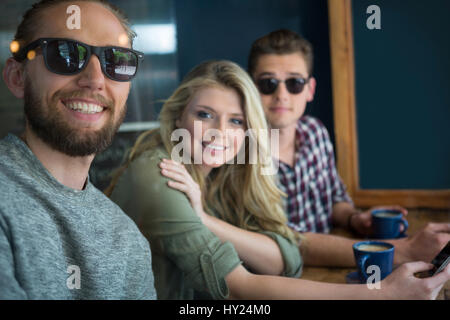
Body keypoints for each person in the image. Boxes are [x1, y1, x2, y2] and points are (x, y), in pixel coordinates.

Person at [107, 59, 450, 299]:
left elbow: (286, 254)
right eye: (205, 115)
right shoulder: (161, 176)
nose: (218, 133)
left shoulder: (222, 172)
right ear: (179, 115)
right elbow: (238, 287)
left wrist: (205, 220)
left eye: (236, 122)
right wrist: (381, 295)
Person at [247, 29, 450, 266]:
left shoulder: (314, 132)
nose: (281, 95)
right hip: (285, 281)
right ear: (251, 88)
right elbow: (287, 244)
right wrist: (404, 250)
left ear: (310, 89)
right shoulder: (240, 154)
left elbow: (334, 199)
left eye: (294, 83)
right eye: (268, 83)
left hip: (334, 262)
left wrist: (355, 219)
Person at [0, 0, 156, 299]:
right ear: (17, 77)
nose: (95, 80)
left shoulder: (129, 240)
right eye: (65, 55)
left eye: (115, 61)